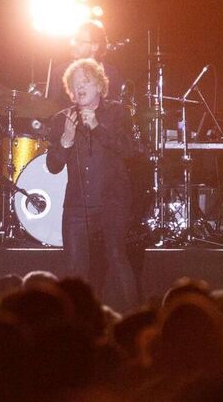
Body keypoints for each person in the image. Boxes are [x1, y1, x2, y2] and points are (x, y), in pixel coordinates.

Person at [45, 58, 138, 310]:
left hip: (112, 200)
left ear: (99, 86)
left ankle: (132, 320)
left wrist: (97, 127)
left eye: (86, 81)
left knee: (117, 257)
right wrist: (66, 139)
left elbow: (129, 150)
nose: (80, 87)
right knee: (74, 269)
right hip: (77, 204)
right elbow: (53, 166)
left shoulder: (118, 112)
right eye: (75, 85)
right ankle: (75, 329)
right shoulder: (61, 119)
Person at [48, 21, 124, 106]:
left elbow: (118, 107)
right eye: (74, 40)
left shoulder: (111, 74)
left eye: (80, 42)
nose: (74, 44)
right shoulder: (60, 73)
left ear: (95, 46)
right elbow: (49, 109)